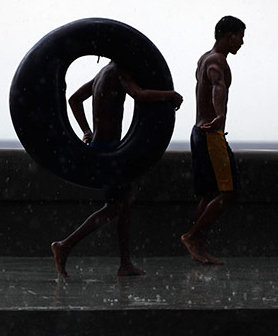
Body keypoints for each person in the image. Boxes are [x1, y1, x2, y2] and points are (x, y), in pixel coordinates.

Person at [51, 59, 183, 277]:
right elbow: (138, 94)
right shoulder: (119, 71)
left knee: (124, 205)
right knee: (114, 207)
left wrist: (86, 131)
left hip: (102, 146)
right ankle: (64, 245)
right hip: (110, 149)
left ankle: (125, 263)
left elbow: (75, 99)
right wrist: (169, 95)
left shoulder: (103, 73)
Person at [181, 15, 246, 265]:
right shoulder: (217, 61)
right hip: (210, 134)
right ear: (229, 35)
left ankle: (198, 248)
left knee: (208, 194)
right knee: (230, 191)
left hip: (198, 133)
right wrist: (220, 115)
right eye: (240, 36)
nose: (242, 43)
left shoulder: (204, 58)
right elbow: (218, 85)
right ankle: (192, 237)